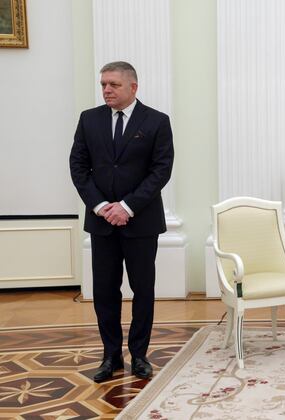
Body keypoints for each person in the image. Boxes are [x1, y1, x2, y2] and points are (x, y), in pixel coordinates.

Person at [69, 61, 174, 382]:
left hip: (141, 222)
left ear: (133, 87)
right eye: (103, 84)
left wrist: (126, 207)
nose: (106, 90)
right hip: (101, 223)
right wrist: (102, 206)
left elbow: (161, 171)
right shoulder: (89, 120)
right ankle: (110, 356)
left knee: (143, 290)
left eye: (113, 84)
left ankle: (139, 355)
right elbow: (78, 166)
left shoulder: (156, 121)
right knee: (104, 291)